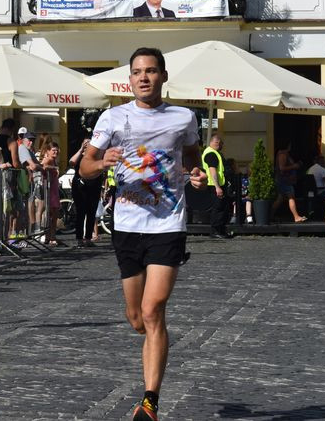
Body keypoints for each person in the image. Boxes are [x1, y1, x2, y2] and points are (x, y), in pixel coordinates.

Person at [79, 47, 207, 421]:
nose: (144, 77)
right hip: (127, 225)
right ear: (129, 79)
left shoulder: (184, 117)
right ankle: (148, 333)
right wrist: (102, 162)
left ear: (163, 76)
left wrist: (196, 175)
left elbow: (192, 156)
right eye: (137, 72)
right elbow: (86, 166)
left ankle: (150, 401)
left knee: (154, 310)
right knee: (137, 317)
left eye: (151, 71)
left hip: (168, 223)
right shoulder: (113, 117)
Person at [69, 139, 102, 247]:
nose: (88, 145)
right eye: (86, 143)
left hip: (94, 185)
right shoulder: (80, 155)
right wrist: (81, 150)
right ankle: (79, 239)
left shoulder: (96, 156)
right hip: (80, 186)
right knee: (81, 212)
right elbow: (71, 162)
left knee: (91, 212)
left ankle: (88, 238)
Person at [202, 135, 233, 239]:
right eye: (221, 144)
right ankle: (216, 231)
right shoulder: (211, 153)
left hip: (217, 185)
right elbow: (212, 170)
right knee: (218, 208)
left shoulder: (213, 152)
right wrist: (217, 187)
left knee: (222, 208)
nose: (221, 146)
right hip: (214, 185)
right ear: (217, 142)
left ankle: (221, 230)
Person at [272, 142, 307, 223]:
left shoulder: (284, 154)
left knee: (280, 199)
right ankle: (296, 217)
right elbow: (282, 168)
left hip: (284, 180)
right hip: (284, 180)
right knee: (291, 197)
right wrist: (294, 166)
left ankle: (270, 215)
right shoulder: (282, 154)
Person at [39, 141, 65, 247]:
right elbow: (43, 166)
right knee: (50, 214)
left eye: (56, 150)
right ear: (48, 151)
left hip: (53, 189)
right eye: (53, 150)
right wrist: (55, 168)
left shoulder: (54, 160)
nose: (56, 152)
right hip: (49, 190)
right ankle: (50, 236)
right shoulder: (49, 159)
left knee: (53, 215)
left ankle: (51, 236)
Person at [306, 155, 325, 219]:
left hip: (310, 192)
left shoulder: (310, 169)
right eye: (324, 161)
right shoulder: (322, 169)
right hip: (320, 191)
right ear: (321, 161)